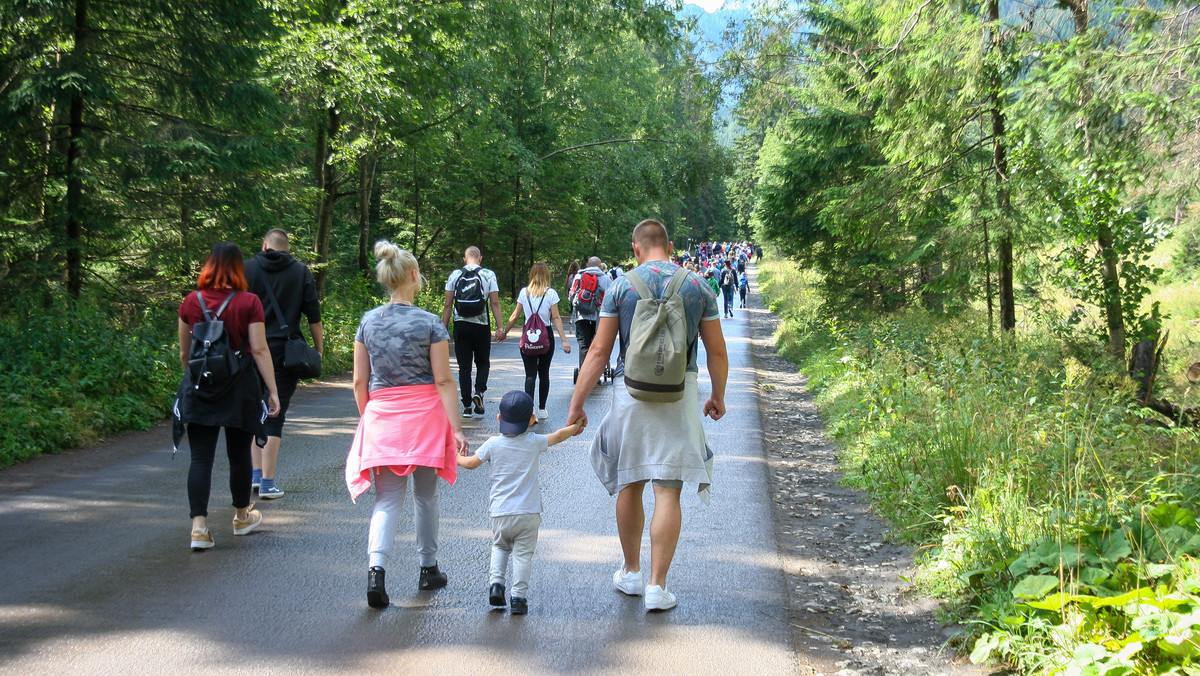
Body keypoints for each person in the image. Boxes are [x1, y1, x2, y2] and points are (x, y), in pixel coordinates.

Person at [567, 219, 728, 612]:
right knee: (668, 489)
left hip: (631, 393)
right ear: (670, 247)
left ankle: (632, 572)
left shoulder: (619, 286)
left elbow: (600, 353)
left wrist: (576, 404)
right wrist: (717, 397)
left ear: (636, 249)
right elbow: (717, 352)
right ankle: (658, 586)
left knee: (630, 483)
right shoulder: (698, 286)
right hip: (679, 393)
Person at [348, 241, 469, 609]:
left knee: (386, 499)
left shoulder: (368, 321)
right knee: (426, 496)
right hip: (425, 418)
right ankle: (428, 568)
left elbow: (358, 382)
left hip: (383, 415)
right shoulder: (430, 323)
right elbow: (444, 381)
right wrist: (458, 427)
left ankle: (376, 571)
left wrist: (370, 418)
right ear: (414, 276)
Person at [175, 242, 280, 551]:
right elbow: (259, 349)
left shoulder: (190, 302)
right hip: (240, 387)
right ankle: (241, 517)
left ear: (208, 266)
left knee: (200, 458)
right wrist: (272, 390)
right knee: (238, 455)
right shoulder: (249, 301)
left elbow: (185, 351)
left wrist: (197, 378)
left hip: (200, 389)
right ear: (238, 269)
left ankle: (199, 529)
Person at [456, 391, 582, 615]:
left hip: (500, 513)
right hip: (528, 513)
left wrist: (453, 455)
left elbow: (470, 464)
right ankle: (518, 598)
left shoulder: (492, 444)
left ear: (498, 419)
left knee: (499, 547)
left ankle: (496, 585)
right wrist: (576, 426)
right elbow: (560, 435)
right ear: (532, 419)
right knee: (523, 555)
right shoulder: (534, 442)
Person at [244, 229, 323, 500]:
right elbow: (314, 315)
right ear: (287, 248)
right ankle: (267, 482)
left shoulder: (246, 269)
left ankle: (255, 475)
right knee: (276, 413)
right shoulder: (301, 272)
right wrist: (318, 349)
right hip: (284, 353)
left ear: (264, 244)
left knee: (255, 410)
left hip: (250, 349)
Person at [501, 263, 571, 420]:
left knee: (530, 375)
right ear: (547, 275)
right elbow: (556, 317)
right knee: (544, 373)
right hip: (546, 335)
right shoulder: (551, 293)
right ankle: (542, 409)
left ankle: (529, 410)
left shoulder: (524, 293)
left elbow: (515, 315)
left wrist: (505, 332)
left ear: (531, 275)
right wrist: (564, 340)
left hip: (528, 337)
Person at [442, 247, 505, 419]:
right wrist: (500, 327)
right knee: (483, 362)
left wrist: (444, 328)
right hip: (481, 325)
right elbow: (495, 302)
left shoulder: (455, 275)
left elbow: (448, 304)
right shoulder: (488, 274)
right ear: (480, 259)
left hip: (460, 324)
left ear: (464, 259)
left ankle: (467, 406)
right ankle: (479, 391)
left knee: (464, 367)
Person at [569, 256, 612, 377]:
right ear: (600, 266)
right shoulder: (606, 278)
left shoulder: (579, 276)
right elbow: (610, 299)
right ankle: (596, 373)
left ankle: (584, 373)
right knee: (597, 345)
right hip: (600, 318)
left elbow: (571, 295)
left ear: (587, 265)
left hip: (581, 317)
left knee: (584, 345)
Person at [565, 260, 580, 326]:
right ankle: (576, 314)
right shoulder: (579, 274)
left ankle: (572, 314)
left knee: (571, 302)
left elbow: (567, 283)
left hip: (570, 289)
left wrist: (565, 290)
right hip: (577, 289)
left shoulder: (569, 275)